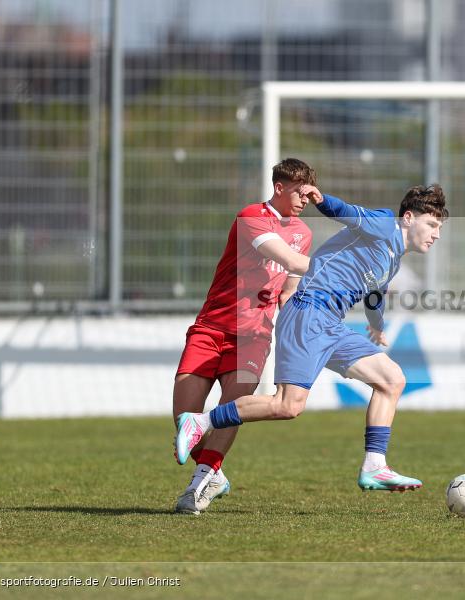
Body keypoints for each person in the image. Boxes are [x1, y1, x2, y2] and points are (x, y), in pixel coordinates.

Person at [174, 183, 449, 493]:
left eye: (439, 227)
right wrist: (322, 200)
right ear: (409, 218)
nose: (436, 234)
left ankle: (375, 466)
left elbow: (374, 293)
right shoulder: (385, 223)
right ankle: (200, 422)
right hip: (309, 312)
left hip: (331, 323)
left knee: (392, 379)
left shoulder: (393, 258)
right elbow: (348, 213)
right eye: (432, 224)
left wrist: (377, 326)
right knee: (287, 406)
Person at [172, 158, 315, 514]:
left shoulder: (304, 233)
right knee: (183, 419)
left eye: (310, 193)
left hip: (254, 337)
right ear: (279, 187)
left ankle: (202, 480)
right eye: (300, 191)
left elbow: (289, 287)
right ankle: (212, 473)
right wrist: (346, 269)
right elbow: (287, 259)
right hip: (211, 328)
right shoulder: (252, 215)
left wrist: (300, 325)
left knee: (228, 411)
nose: (305, 199)